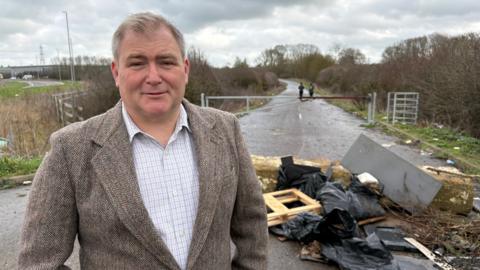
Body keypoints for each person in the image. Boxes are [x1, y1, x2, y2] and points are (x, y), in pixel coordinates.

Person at [18, 12, 268, 270]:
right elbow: (39, 262)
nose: (153, 76)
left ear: (185, 69)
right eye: (137, 63)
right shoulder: (70, 150)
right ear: (116, 72)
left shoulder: (226, 130)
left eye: (166, 62)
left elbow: (252, 225)